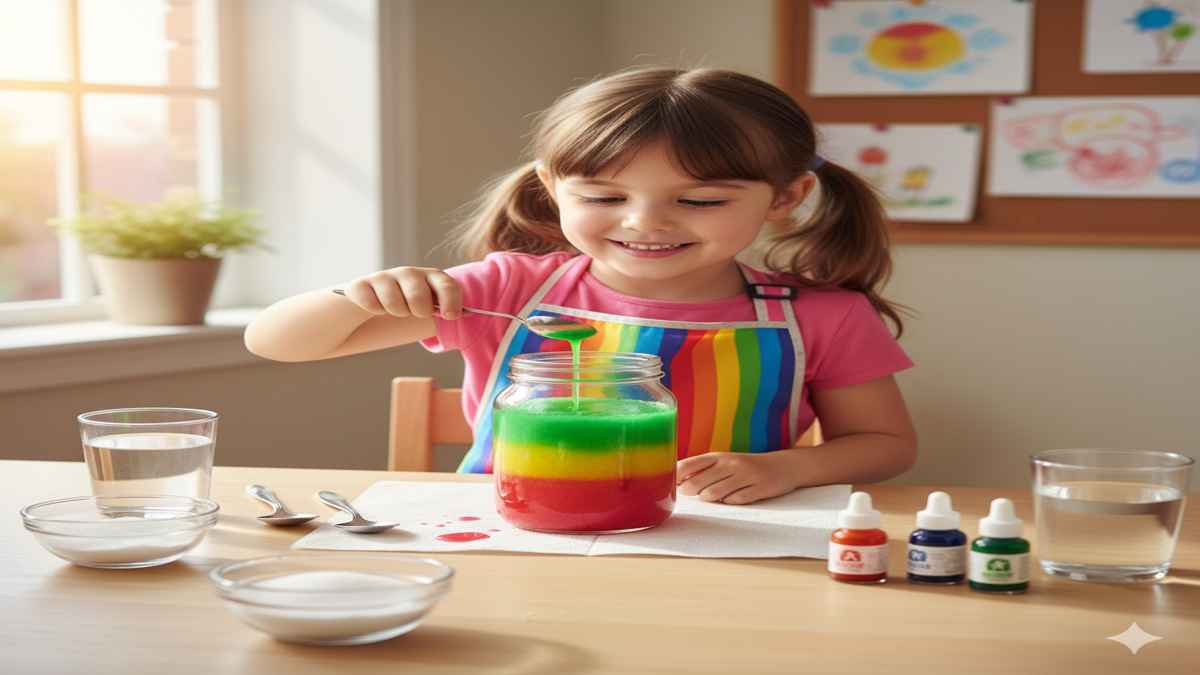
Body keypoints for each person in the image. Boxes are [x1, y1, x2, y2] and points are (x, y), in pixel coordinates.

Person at [245, 67, 918, 505]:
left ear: (787, 197)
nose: (645, 223)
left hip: (723, 542)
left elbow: (886, 444)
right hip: (513, 537)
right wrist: (354, 297)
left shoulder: (821, 315)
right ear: (552, 186)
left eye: (702, 201)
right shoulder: (506, 289)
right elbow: (274, 343)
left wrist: (786, 469)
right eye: (603, 194)